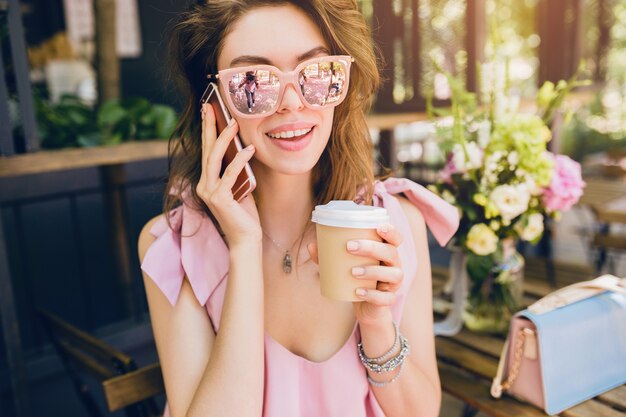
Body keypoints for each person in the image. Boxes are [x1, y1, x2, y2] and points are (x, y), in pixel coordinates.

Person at [138, 1, 459, 417]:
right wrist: (244, 248)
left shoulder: (393, 222)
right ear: (214, 101)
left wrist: (378, 325)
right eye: (253, 80)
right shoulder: (175, 250)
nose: (291, 103)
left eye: (317, 73)